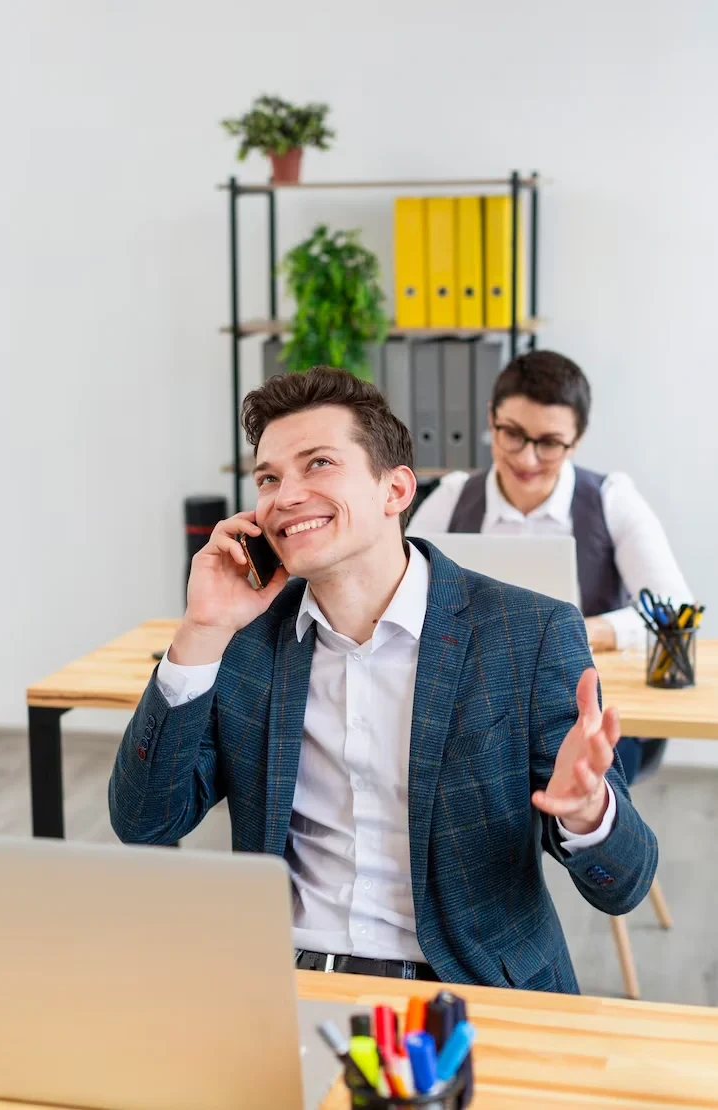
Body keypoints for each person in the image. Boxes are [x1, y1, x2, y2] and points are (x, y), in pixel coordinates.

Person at [109, 366, 657, 992]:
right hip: (286, 982)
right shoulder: (240, 640)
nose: (285, 494)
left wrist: (589, 813)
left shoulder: (529, 634)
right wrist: (201, 630)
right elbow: (145, 823)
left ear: (395, 490)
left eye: (318, 463)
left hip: (469, 991)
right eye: (268, 477)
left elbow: (628, 882)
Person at [408, 349, 691, 783]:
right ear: (491, 419)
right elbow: (402, 585)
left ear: (576, 439)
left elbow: (674, 610)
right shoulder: (453, 497)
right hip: (480, 710)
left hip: (581, 707)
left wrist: (587, 630)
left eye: (549, 443)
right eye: (512, 434)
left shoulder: (610, 498)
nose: (526, 458)